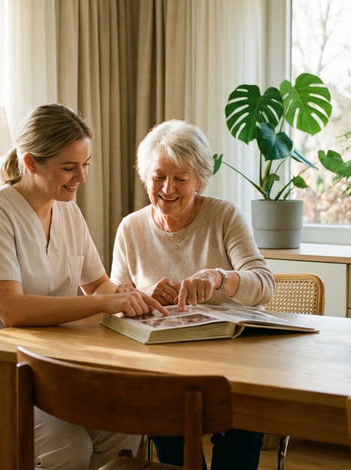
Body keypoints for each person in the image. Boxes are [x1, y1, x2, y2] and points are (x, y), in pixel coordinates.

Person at [0, 103, 166, 470]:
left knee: (122, 429)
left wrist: (129, 298)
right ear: (31, 162)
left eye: (85, 165)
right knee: (66, 447)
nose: (81, 178)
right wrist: (103, 305)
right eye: (69, 167)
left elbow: (97, 283)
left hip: (41, 372)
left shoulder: (66, 209)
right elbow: (13, 311)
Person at [111, 119, 274, 470]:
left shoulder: (224, 216)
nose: (167, 188)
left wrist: (220, 278)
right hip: (168, 368)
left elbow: (264, 283)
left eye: (180, 179)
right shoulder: (131, 227)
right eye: (158, 177)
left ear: (199, 180)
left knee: (241, 431)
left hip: (235, 364)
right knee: (167, 426)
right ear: (145, 176)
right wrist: (143, 294)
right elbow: (115, 300)